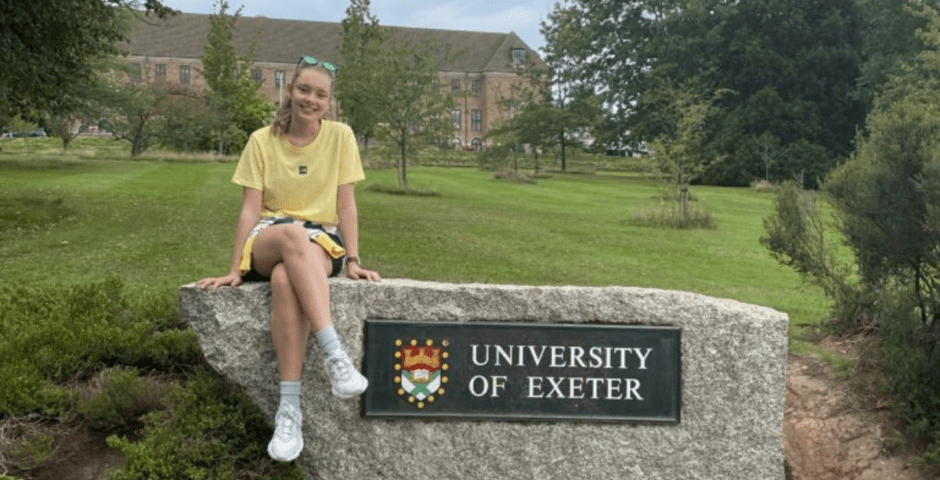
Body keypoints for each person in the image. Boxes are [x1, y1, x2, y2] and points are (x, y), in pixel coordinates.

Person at [197, 56, 380, 463]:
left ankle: (289, 409)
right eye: (304, 90)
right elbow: (249, 210)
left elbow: (346, 203)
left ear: (329, 102)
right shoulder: (262, 140)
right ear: (289, 91)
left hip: (321, 242)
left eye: (320, 94)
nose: (310, 99)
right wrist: (234, 269)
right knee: (290, 238)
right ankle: (336, 356)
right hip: (270, 236)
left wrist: (352, 258)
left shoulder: (341, 137)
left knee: (285, 281)